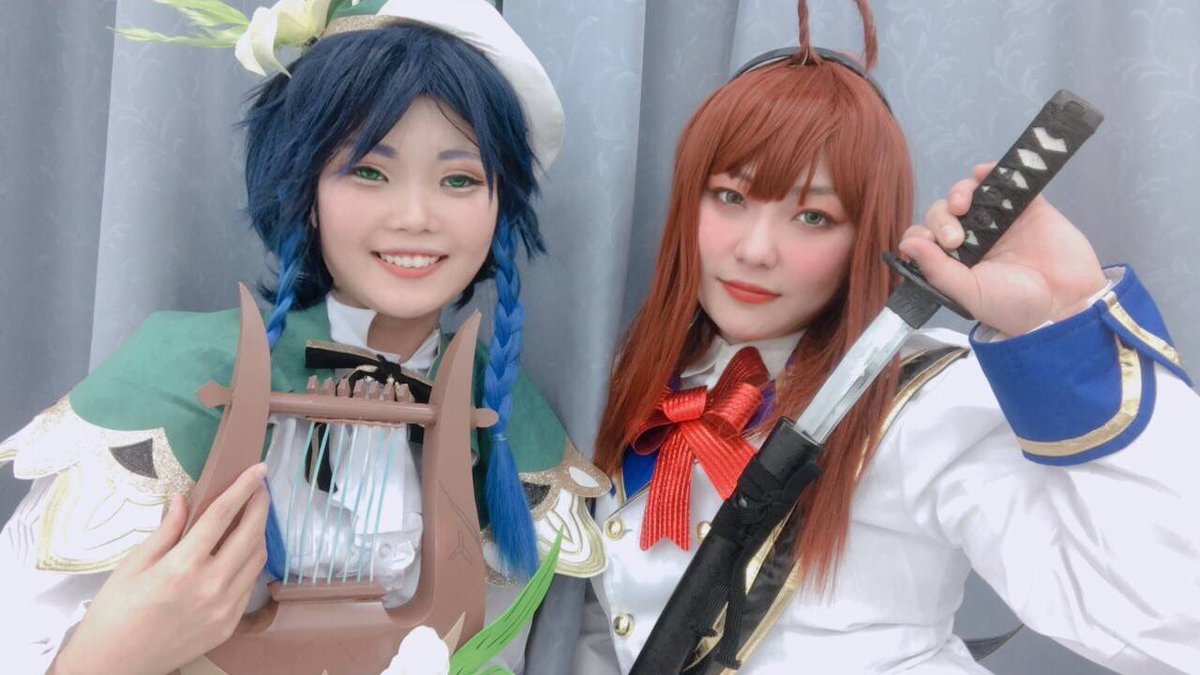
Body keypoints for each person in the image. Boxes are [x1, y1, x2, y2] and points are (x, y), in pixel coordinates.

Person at [575, 0, 1200, 672]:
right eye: (731, 196)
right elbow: (602, 631)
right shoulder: (630, 378)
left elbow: (1170, 620)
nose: (755, 250)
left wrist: (1068, 329)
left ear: (866, 234)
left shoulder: (927, 403)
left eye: (813, 216)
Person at [0, 1, 608, 673]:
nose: (415, 216)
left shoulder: (512, 425)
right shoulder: (178, 381)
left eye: (458, 179)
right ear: (307, 190)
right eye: (369, 171)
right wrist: (119, 649)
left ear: (499, 208)